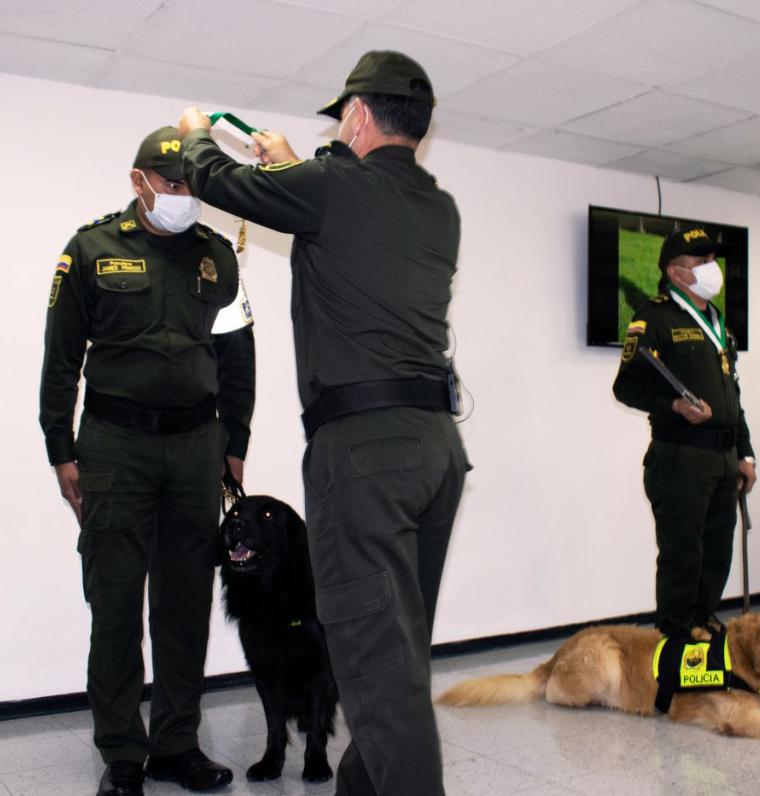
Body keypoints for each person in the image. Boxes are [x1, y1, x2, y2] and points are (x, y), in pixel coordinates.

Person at [176, 49, 468, 796]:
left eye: (343, 115)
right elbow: (343, 209)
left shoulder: (333, 187)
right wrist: (300, 162)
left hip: (363, 451)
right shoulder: (438, 207)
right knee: (394, 653)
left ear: (361, 115)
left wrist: (192, 137)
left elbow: (220, 181)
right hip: (435, 448)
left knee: (375, 661)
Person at [39, 127, 255, 796]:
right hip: (112, 444)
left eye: (192, 185)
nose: (183, 197)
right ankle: (123, 754)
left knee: (186, 601)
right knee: (113, 601)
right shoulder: (91, 249)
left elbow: (238, 358)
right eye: (171, 184)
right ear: (138, 181)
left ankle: (175, 744)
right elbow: (61, 357)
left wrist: (236, 444)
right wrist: (59, 449)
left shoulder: (220, 259)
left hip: (196, 449)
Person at [613, 226, 756, 639]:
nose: (713, 268)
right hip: (680, 458)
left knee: (717, 551)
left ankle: (702, 620)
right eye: (702, 262)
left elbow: (734, 397)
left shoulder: (719, 323)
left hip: (724, 458)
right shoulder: (653, 318)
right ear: (676, 274)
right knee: (683, 555)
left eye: (713, 260)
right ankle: (676, 637)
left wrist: (746, 455)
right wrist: (674, 405)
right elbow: (626, 386)